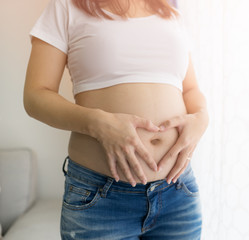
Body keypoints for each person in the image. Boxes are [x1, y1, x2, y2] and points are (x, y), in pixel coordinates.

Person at [24, 0, 209, 239]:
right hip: (101, 197)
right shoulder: (66, 7)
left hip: (178, 192)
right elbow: (35, 96)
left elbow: (190, 89)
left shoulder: (168, 12)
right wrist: (99, 123)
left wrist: (202, 119)